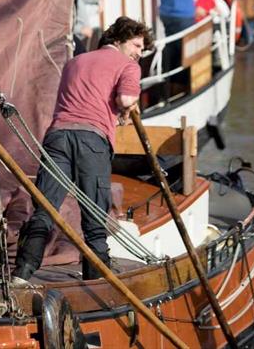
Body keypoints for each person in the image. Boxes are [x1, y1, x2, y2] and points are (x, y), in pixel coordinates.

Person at [12, 17, 152, 282]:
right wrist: (127, 107)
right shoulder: (128, 66)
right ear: (119, 40)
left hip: (58, 137)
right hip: (92, 141)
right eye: (136, 45)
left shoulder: (74, 62)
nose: (138, 53)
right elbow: (126, 98)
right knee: (95, 219)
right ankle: (96, 284)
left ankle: (22, 275)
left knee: (45, 209)